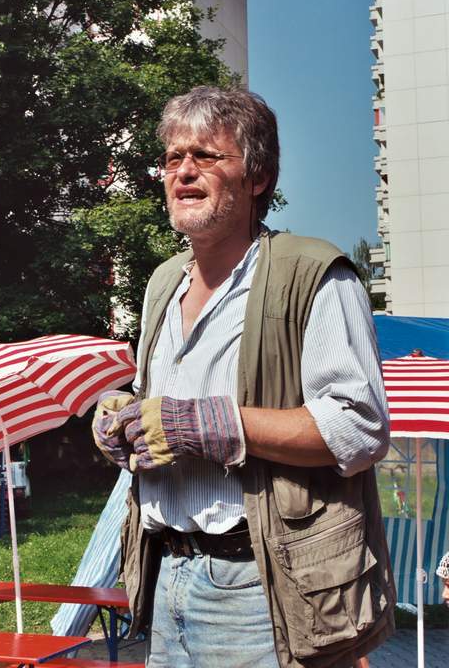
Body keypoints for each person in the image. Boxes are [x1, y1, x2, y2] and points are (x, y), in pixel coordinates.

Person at [93, 86, 396, 668]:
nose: (183, 171)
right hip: (163, 571)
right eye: (173, 157)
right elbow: (158, 409)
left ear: (258, 177)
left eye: (206, 156)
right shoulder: (162, 283)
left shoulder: (315, 273)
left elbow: (360, 430)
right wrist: (124, 422)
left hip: (260, 585)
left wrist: (206, 425)